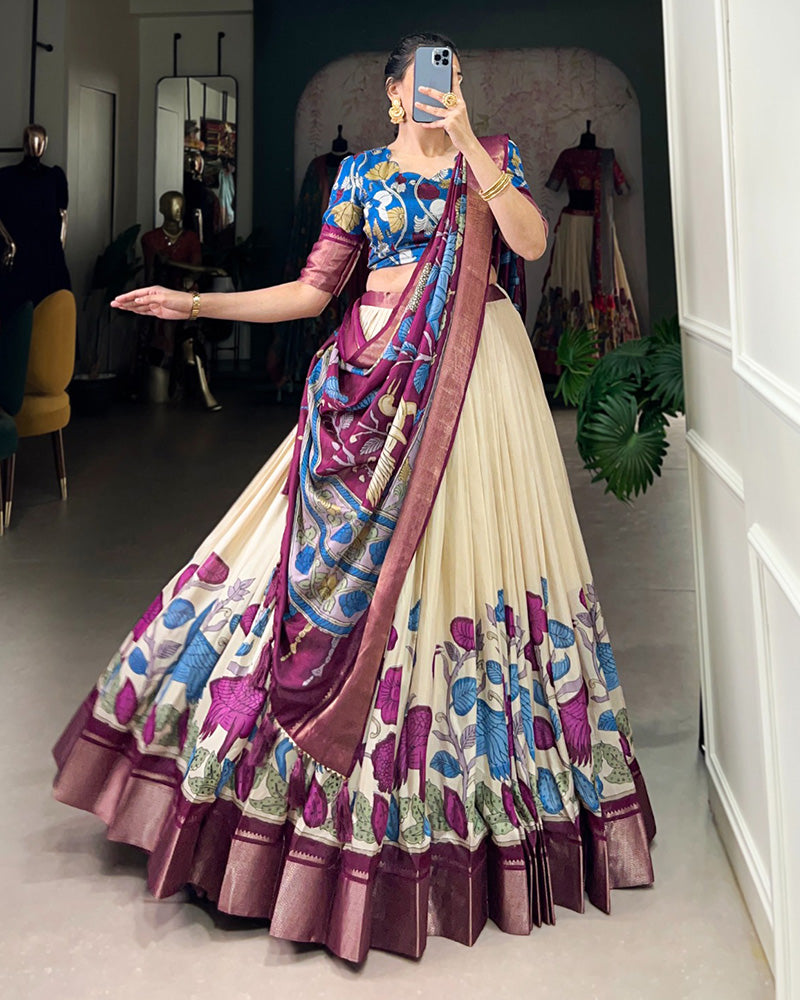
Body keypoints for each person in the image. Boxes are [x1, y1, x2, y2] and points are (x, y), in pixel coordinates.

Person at [51, 32, 656, 963]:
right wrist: (196, 306)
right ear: (391, 96)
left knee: (465, 569)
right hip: (370, 392)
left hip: (476, 386)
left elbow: (530, 243)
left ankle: (471, 804)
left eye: (454, 79)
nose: (441, 91)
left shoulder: (491, 158)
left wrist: (472, 147)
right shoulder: (362, 176)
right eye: (426, 82)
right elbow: (310, 293)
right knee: (303, 570)